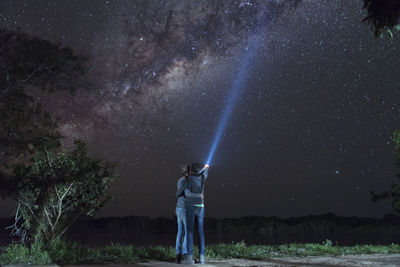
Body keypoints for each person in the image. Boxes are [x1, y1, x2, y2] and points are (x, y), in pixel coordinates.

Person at [180, 163, 209, 265]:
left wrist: (197, 195)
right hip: (201, 207)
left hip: (191, 207)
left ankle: (189, 255)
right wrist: (206, 168)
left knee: (190, 232)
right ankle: (202, 257)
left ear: (191, 170)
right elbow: (206, 173)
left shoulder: (187, 180)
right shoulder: (202, 178)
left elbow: (187, 194)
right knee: (200, 232)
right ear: (199, 170)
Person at [175, 165, 204, 264]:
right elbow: (187, 194)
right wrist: (199, 195)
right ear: (186, 173)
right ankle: (185, 255)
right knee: (188, 232)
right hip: (183, 208)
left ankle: (177, 255)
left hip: (178, 207)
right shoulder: (185, 181)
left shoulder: (180, 180)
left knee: (180, 232)